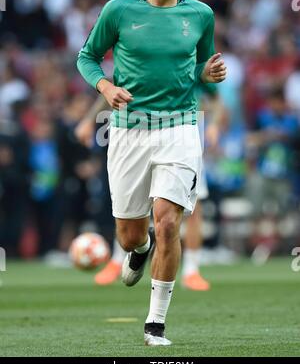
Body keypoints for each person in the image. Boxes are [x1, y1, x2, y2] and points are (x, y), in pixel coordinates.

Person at [77, 0, 226, 346]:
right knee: (131, 233)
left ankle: (155, 324)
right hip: (128, 133)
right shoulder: (119, 10)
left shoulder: (200, 14)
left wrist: (209, 74)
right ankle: (137, 251)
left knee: (167, 222)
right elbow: (86, 56)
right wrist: (105, 87)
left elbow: (201, 66)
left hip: (179, 129)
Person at [75, 86, 224, 291]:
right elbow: (112, 88)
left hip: (183, 142)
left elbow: (215, 97)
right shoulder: (138, 60)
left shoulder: (190, 58)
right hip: (138, 138)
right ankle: (119, 259)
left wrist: (214, 125)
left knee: (193, 206)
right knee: (129, 202)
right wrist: (89, 120)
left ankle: (191, 271)